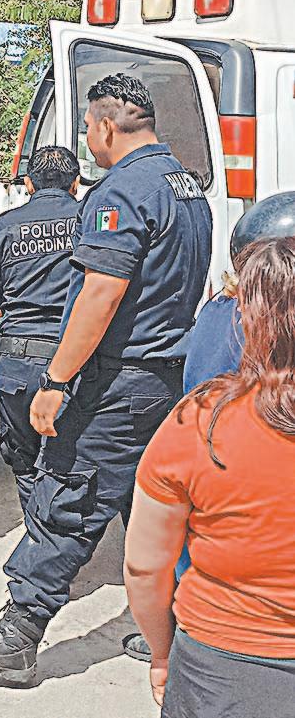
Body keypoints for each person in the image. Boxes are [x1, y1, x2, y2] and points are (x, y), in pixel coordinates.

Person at [0, 73, 213, 682]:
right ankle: (173, 629)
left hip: (118, 382)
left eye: (88, 126)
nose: (87, 139)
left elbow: (101, 293)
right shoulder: (187, 185)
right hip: (167, 377)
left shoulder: (124, 192)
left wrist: (57, 381)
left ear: (108, 126)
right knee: (152, 508)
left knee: (69, 496)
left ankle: (18, 634)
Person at [123, 190, 295, 663]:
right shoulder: (231, 325)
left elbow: (144, 564)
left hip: (219, 642)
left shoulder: (221, 317)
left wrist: (163, 649)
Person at [0, 146, 80, 512]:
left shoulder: (7, 225)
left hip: (17, 362)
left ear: (28, 184)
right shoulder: (90, 220)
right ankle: (56, 533)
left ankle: (37, 529)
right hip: (74, 359)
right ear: (75, 184)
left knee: (23, 457)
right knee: (71, 458)